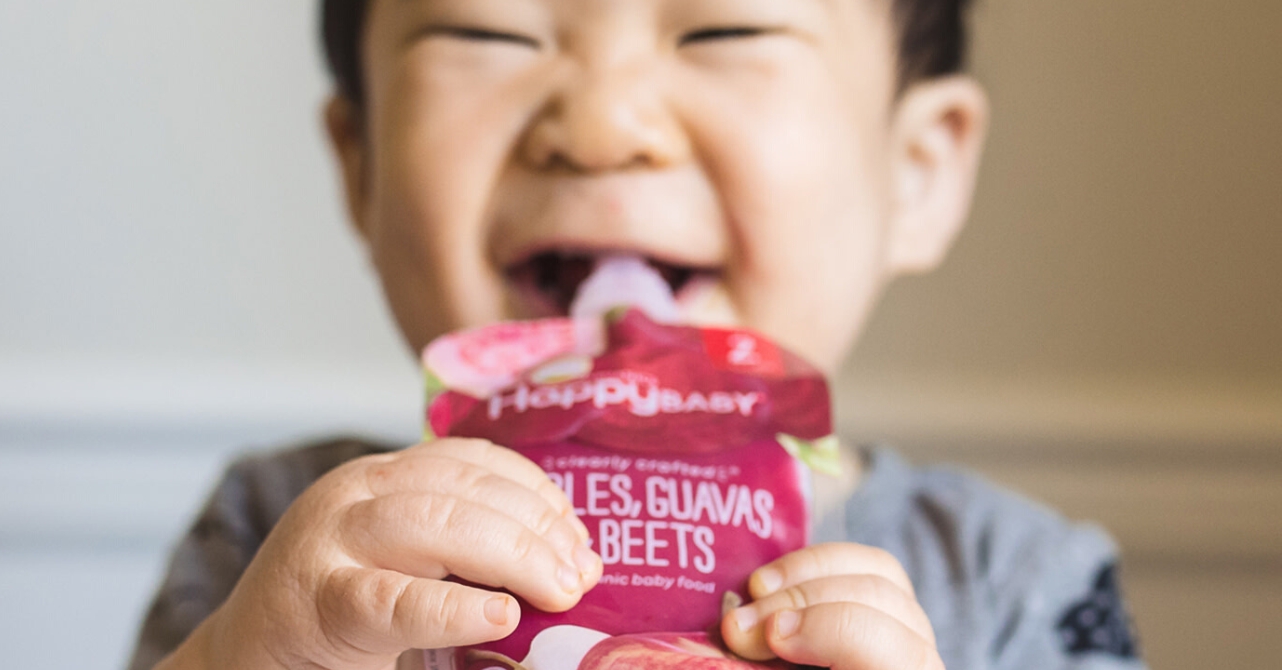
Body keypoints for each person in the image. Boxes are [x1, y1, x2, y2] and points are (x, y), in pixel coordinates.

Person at [132, 1, 1145, 669]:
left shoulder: (1012, 579)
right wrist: (264, 645)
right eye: (490, 31)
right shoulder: (278, 536)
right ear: (361, 168)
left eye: (724, 30)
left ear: (914, 172)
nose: (602, 123)